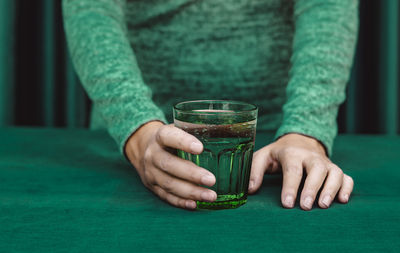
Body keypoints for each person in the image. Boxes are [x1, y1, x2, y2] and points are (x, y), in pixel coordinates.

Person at [63, 0, 357, 211]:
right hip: (128, 142)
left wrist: (306, 130)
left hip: (275, 143)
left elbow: (327, 7)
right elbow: (92, 10)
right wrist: (137, 130)